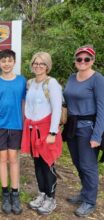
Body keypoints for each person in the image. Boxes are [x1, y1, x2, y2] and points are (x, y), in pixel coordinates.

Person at [63, 45, 104, 217]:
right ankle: (84, 192)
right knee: (78, 163)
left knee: (88, 166)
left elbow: (102, 108)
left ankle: (89, 201)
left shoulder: (98, 79)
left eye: (87, 59)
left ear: (92, 61)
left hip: (88, 128)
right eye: (79, 59)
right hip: (72, 126)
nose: (82, 62)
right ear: (75, 61)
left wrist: (97, 135)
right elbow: (65, 101)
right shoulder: (72, 77)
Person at [21, 52, 63, 215]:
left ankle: (51, 199)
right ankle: (42, 194)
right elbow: (28, 106)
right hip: (32, 130)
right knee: (37, 164)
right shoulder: (30, 83)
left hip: (47, 130)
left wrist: (53, 132)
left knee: (48, 164)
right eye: (35, 63)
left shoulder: (52, 83)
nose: (38, 66)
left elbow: (57, 108)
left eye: (42, 63)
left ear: (47, 66)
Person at [0, 49, 26, 215]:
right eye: (3, 61)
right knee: (2, 159)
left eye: (9, 60)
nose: (6, 64)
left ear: (14, 62)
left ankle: (15, 194)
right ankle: (5, 194)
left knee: (14, 159)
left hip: (16, 126)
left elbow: (24, 102)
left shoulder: (22, 81)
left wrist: (25, 123)